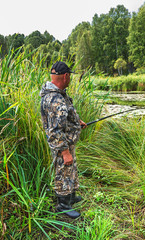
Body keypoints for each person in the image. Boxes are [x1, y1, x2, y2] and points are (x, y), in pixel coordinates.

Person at [40, 61, 87, 219]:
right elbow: (54, 130)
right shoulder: (55, 99)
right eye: (70, 76)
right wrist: (65, 151)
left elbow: (65, 115)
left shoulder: (60, 94)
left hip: (68, 141)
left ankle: (70, 196)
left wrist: (77, 122)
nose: (70, 79)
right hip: (62, 144)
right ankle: (63, 205)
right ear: (65, 76)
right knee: (63, 171)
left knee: (70, 170)